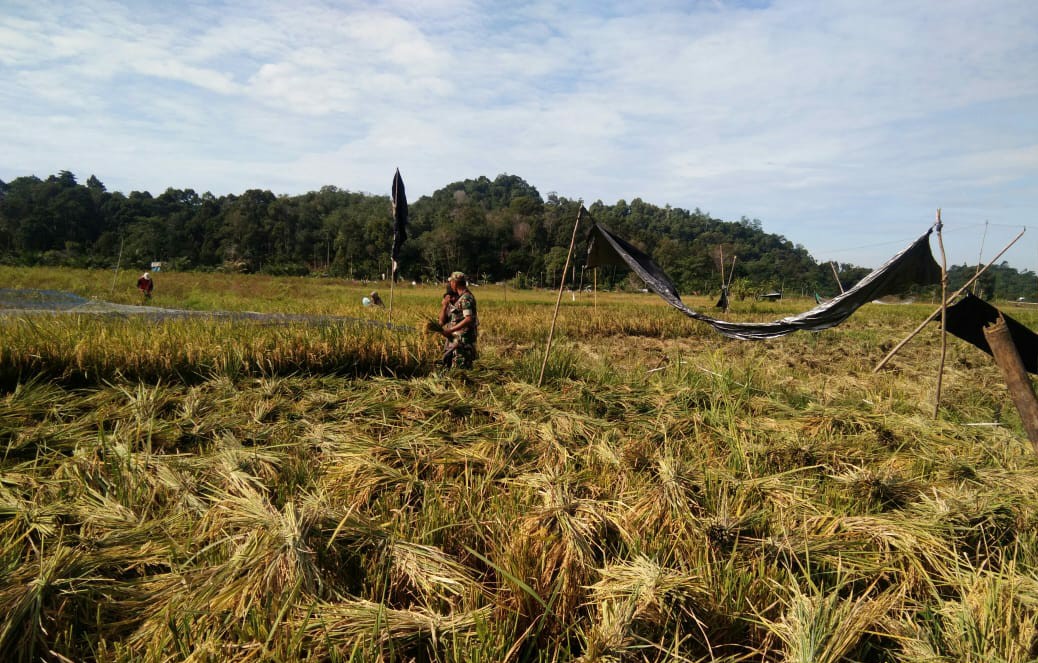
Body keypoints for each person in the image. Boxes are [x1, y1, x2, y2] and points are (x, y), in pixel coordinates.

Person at [439, 271, 478, 368]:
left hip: (463, 342)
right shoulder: (457, 300)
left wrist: (450, 330)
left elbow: (469, 319)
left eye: (451, 282)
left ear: (455, 283)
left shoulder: (466, 298)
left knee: (461, 370)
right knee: (452, 368)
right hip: (455, 342)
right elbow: (441, 322)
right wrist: (444, 306)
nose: (450, 284)